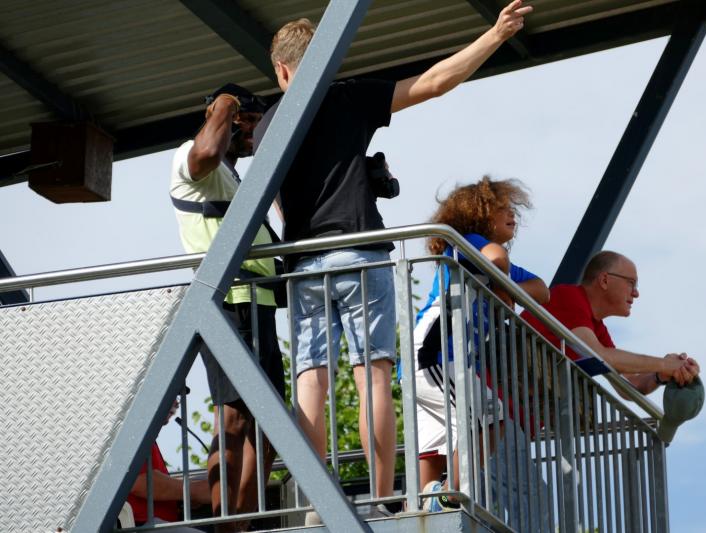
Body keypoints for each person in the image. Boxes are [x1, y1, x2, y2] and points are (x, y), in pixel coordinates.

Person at [253, 0, 534, 518]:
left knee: (310, 381)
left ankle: (316, 501)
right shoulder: (346, 98)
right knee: (373, 378)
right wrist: (495, 35)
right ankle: (382, 499)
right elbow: (433, 82)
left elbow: (272, 201)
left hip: (304, 261)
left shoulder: (267, 126)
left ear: (283, 71)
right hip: (359, 252)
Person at [169, 83, 286, 531]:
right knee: (234, 418)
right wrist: (224, 106)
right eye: (247, 122)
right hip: (226, 304)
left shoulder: (234, 175)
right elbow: (206, 152)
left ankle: (242, 521)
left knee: (271, 424)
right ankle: (226, 525)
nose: (253, 132)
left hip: (258, 304)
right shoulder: (191, 157)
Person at [408, 176, 549, 511]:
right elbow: (497, 259)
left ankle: (420, 506)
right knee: (492, 418)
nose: (512, 215)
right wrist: (503, 289)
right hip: (437, 354)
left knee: (435, 444)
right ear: (480, 214)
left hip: (434, 359)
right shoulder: (467, 242)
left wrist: (505, 290)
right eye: (503, 208)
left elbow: (542, 290)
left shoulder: (484, 257)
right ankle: (449, 495)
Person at [521, 250, 700, 394]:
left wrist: (660, 376)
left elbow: (631, 384)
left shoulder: (597, 328)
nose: (636, 293)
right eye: (631, 283)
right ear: (605, 280)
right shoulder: (568, 296)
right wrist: (665, 364)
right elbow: (601, 356)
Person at [126, 400, 210, 530]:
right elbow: (139, 482)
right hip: (140, 526)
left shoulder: (146, 439)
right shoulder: (130, 433)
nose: (177, 402)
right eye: (171, 397)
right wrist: (196, 490)